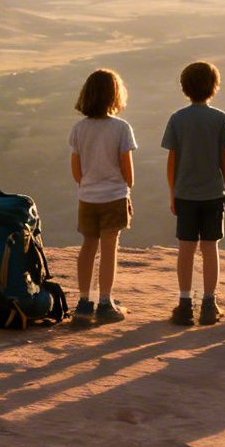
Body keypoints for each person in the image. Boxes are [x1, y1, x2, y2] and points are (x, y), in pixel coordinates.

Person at [162, 60, 225, 325]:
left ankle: (184, 304)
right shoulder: (220, 119)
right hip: (213, 193)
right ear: (214, 87)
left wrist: (172, 193)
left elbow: (172, 161)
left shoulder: (177, 119)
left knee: (185, 248)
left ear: (185, 88)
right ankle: (209, 303)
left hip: (185, 194)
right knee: (210, 248)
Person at [69, 68, 135, 324]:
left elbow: (76, 170)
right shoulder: (121, 128)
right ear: (115, 96)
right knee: (109, 249)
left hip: (88, 197)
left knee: (87, 247)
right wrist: (127, 185)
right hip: (114, 195)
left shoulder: (79, 129)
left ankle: (85, 302)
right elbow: (127, 167)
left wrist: (87, 184)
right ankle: (106, 302)